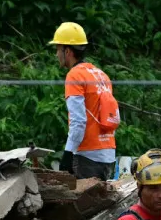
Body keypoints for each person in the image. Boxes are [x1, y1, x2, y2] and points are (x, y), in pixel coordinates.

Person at [50, 22, 121, 180]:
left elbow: (78, 121)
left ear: (67, 51)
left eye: (57, 49)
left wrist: (68, 153)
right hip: (108, 154)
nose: (56, 54)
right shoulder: (101, 75)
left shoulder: (74, 75)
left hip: (87, 156)